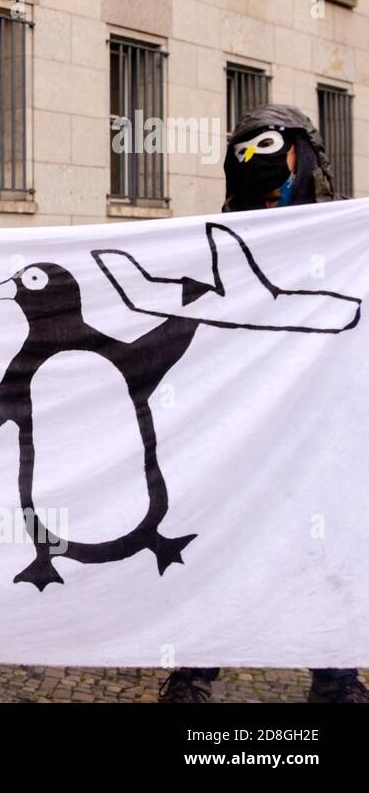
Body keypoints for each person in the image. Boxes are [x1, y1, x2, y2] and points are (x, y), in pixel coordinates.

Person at [158, 103, 366, 704]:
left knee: (328, 549)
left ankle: (334, 674)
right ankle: (194, 669)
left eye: (277, 167)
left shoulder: (346, 241)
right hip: (240, 434)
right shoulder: (219, 243)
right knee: (219, 539)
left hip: (324, 433)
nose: (269, 189)